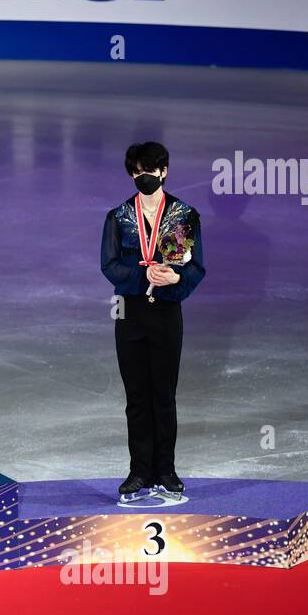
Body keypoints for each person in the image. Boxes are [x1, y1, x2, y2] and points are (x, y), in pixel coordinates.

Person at [100, 141, 206, 500]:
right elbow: (110, 265)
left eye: (149, 170)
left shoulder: (181, 215)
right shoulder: (119, 217)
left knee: (164, 395)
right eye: (137, 171)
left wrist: (176, 279)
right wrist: (144, 274)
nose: (143, 177)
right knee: (136, 397)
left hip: (165, 313)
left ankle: (167, 471)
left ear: (164, 171)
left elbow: (193, 266)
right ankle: (138, 472)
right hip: (129, 315)